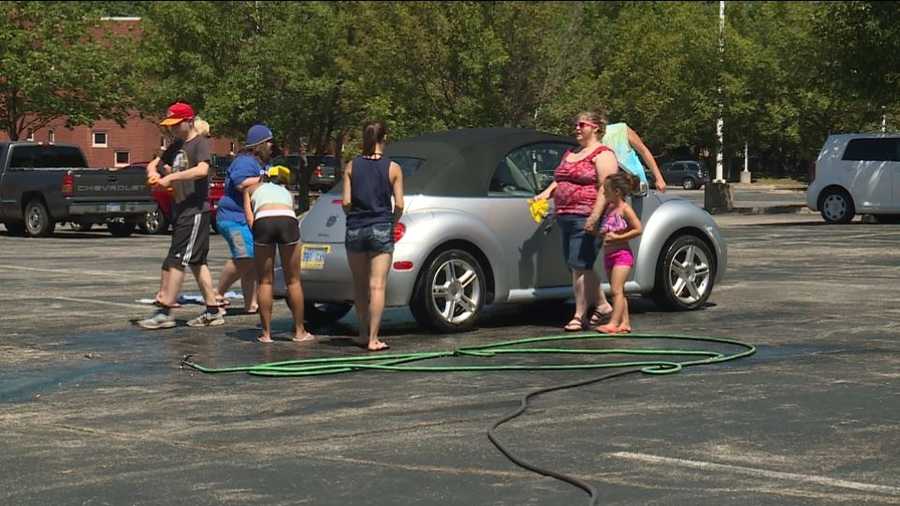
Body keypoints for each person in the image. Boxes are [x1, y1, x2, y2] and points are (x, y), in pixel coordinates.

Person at [138, 102, 222, 329]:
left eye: (176, 125)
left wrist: (172, 178)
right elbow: (156, 163)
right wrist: (153, 172)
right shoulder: (176, 145)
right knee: (197, 261)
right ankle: (213, 310)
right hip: (180, 210)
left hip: (194, 211)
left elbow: (203, 170)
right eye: (170, 126)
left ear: (189, 121)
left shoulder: (199, 143)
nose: (172, 130)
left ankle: (165, 311)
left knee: (176, 260)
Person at [534, 109, 619, 331]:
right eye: (576, 125)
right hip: (565, 216)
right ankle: (602, 305)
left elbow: (606, 188)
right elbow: (560, 179)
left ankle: (579, 314)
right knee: (578, 266)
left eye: (582, 125)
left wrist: (595, 216)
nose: (577, 128)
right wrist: (546, 193)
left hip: (587, 216)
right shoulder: (572, 152)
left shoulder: (603, 154)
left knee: (580, 266)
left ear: (595, 127)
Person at [342, 120, 404, 351]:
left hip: (355, 227)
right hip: (380, 226)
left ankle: (361, 332)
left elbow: (347, 202)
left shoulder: (351, 166)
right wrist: (392, 222)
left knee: (359, 285)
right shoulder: (393, 168)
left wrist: (353, 213)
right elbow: (399, 204)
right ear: (384, 139)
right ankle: (374, 339)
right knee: (377, 285)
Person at [243, 158, 313, 344]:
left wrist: (259, 236)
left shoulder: (251, 189)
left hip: (263, 221)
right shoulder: (286, 193)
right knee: (293, 280)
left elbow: (250, 219)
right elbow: (290, 212)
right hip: (287, 220)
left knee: (265, 281)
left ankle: (266, 333)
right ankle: (299, 331)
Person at [212, 125, 271, 315]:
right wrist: (266, 177)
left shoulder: (259, 164)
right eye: (268, 142)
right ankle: (217, 295)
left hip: (245, 220)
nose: (272, 145)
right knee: (244, 257)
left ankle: (250, 303)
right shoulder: (244, 162)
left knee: (252, 262)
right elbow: (241, 183)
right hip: (232, 219)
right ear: (259, 144)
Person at [595, 172, 643, 334]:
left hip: (622, 255)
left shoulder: (625, 209)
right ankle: (625, 323)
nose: (603, 193)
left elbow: (638, 229)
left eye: (606, 190)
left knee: (616, 291)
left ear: (616, 192)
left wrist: (618, 237)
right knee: (619, 291)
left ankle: (613, 323)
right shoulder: (609, 208)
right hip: (608, 255)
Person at [602, 122, 667, 193]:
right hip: (610, 187)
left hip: (635, 184)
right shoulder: (590, 141)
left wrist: (659, 178)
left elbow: (643, 151)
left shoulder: (620, 129)